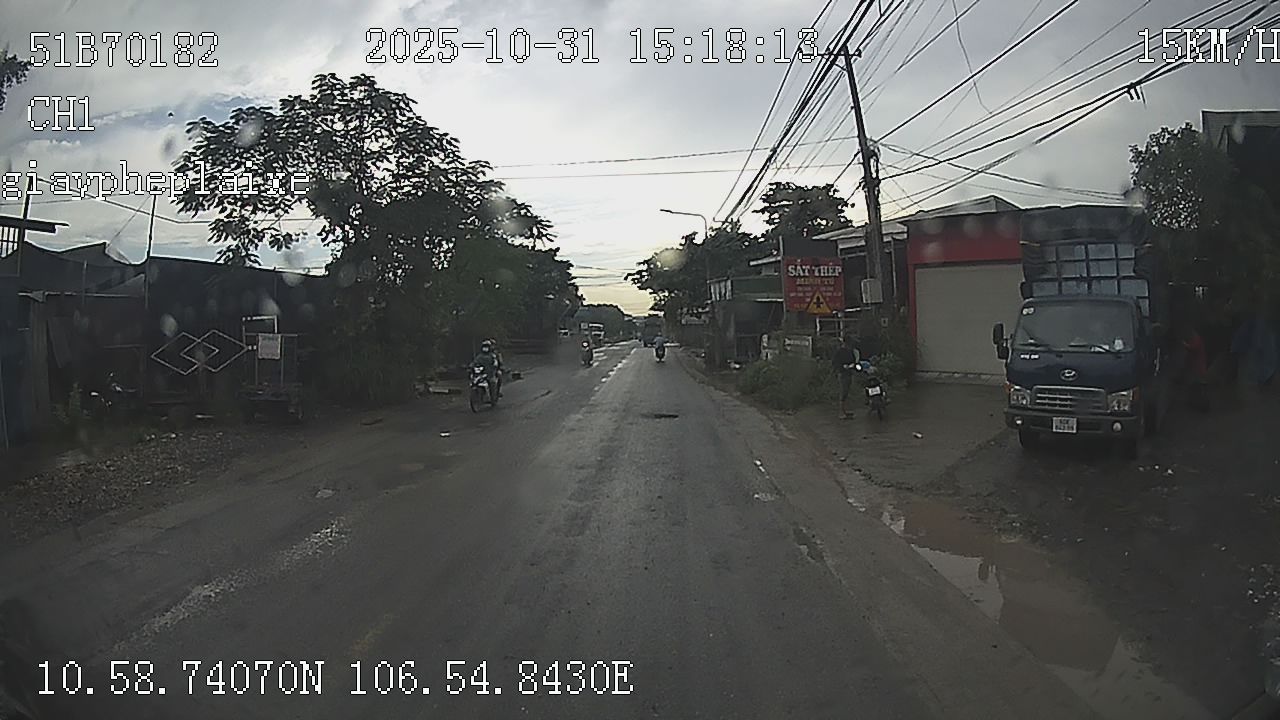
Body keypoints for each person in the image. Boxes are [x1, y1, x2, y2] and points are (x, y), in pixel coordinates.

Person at [832, 334, 860, 419]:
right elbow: (835, 362)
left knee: (847, 392)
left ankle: (845, 411)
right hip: (842, 373)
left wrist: (853, 365)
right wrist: (842, 367)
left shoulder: (850, 351)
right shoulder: (840, 352)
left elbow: (853, 360)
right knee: (843, 392)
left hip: (849, 373)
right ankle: (841, 412)